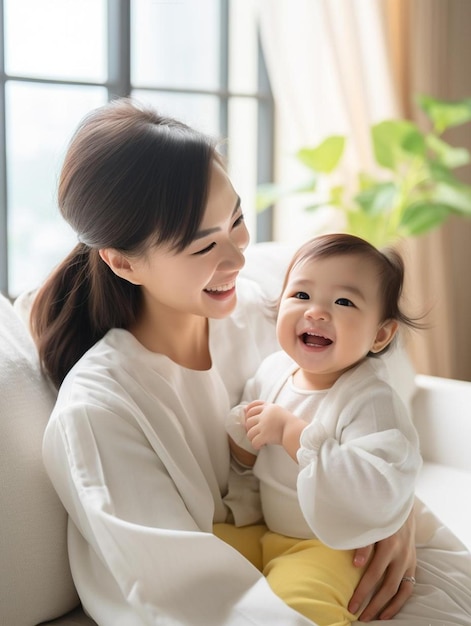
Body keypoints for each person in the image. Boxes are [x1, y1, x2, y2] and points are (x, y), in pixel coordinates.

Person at [28, 98, 471, 626]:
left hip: (345, 553)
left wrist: (389, 515)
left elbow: (366, 408)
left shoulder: (265, 311)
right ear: (123, 262)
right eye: (202, 247)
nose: (237, 256)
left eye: (237, 219)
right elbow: (193, 595)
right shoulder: (98, 413)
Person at [226, 234, 423, 625]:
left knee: (297, 607)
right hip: (266, 529)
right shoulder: (272, 372)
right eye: (301, 295)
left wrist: (290, 432)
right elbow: (247, 460)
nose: (316, 313)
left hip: (331, 548)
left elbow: (373, 484)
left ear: (380, 334)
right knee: (199, 553)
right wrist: (244, 439)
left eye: (344, 302)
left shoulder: (370, 400)